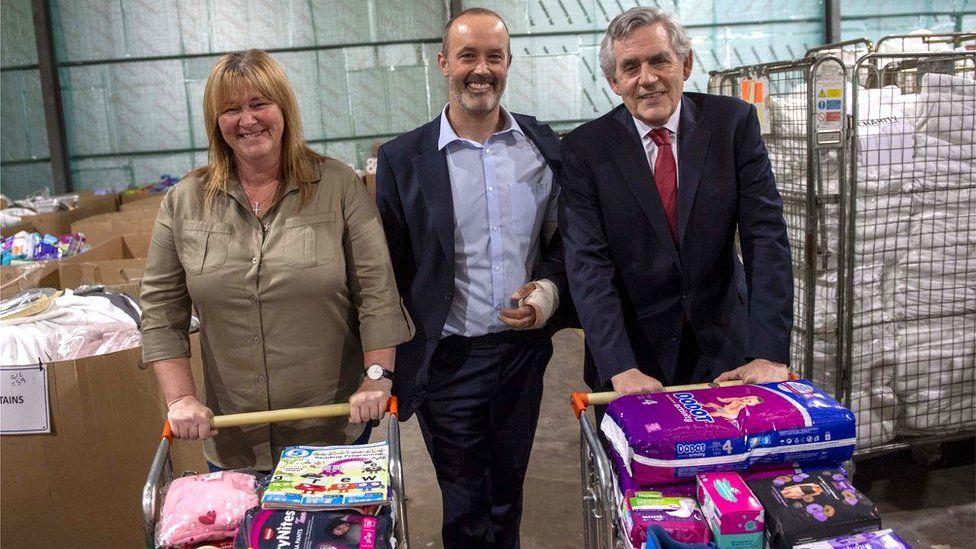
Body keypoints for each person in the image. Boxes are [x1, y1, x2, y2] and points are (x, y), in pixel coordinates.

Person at [140, 49, 414, 472]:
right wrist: (181, 398)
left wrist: (375, 379)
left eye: (258, 104)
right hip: (233, 439)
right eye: (231, 109)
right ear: (217, 122)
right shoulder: (184, 202)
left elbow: (377, 291)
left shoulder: (339, 186)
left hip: (330, 437)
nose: (247, 120)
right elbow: (160, 311)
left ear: (283, 108)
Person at [375, 8, 571, 548]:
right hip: (447, 359)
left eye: (492, 56)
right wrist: (380, 364)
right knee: (464, 499)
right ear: (444, 63)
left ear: (508, 63)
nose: (480, 70)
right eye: (467, 56)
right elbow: (386, 270)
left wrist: (548, 292)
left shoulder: (542, 147)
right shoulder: (403, 160)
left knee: (508, 492)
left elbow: (566, 244)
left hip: (522, 356)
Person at [559, 6, 794, 397]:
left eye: (659, 61)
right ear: (613, 81)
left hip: (727, 351)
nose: (647, 79)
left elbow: (765, 238)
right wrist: (620, 366)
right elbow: (587, 264)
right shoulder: (586, 151)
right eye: (630, 67)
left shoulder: (732, 125)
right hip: (634, 357)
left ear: (685, 64)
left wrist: (769, 353)